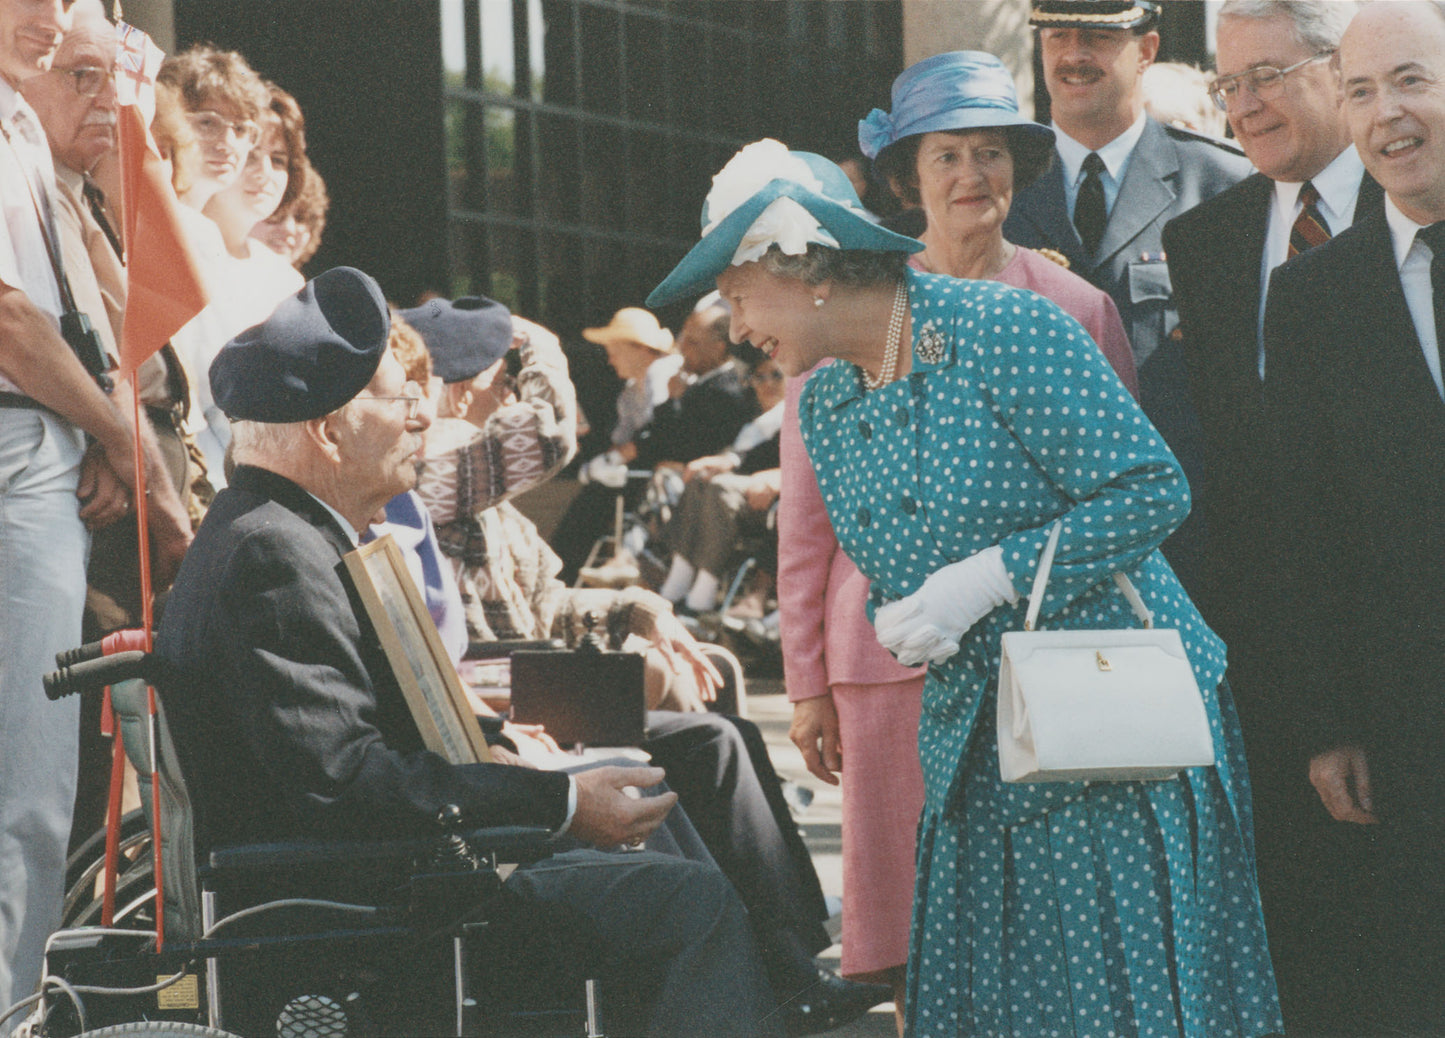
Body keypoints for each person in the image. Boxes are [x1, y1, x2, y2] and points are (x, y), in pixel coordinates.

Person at [649, 138, 1282, 1037]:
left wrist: (991, 578)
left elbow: (1150, 490)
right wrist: (902, 615)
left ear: (804, 270)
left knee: (1114, 1000)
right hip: (968, 748)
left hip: (1106, 731)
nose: (735, 324)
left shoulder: (1000, 328)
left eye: (738, 293)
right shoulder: (825, 404)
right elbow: (889, 560)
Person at [153, 266, 781, 1037]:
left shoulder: (284, 532)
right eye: (400, 401)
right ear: (327, 430)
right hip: (370, 912)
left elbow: (358, 731)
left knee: (661, 851)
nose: (423, 416)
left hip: (373, 882)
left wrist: (499, 748)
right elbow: (344, 779)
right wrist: (558, 803)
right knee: (687, 900)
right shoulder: (274, 555)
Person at [402, 294, 891, 1033]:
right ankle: (763, 962)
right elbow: (555, 432)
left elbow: (548, 598)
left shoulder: (477, 478)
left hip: (526, 669)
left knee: (719, 732)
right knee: (698, 731)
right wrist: (533, 338)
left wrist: (637, 608)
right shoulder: (436, 463)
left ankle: (786, 957)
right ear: (468, 380)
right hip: (495, 687)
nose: (511, 391)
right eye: (503, 373)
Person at [781, 51, 1141, 1031]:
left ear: (1018, 169)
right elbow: (805, 525)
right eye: (946, 155)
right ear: (908, 176)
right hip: (887, 665)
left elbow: (1124, 498)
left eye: (990, 152)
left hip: (1042, 659)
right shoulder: (852, 308)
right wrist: (805, 682)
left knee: (1047, 928)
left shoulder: (1077, 308)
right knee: (909, 932)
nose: (971, 175)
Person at [1159, 4, 1372, 1029]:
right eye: (1227, 84)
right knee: (1298, 934)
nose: (1242, 106)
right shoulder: (1204, 239)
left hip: (1401, 628)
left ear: (1336, 69)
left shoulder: (1413, 203)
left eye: (1267, 76)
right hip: (1259, 656)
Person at [1264, 3, 1445, 1031]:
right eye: (1361, 92)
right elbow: (1304, 527)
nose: (1386, 115)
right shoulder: (1309, 299)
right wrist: (1326, 720)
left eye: (1411, 80)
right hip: (1407, 722)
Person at [19, 0, 197, 851]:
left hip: (132, 475)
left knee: (131, 779)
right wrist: (108, 440)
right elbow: (50, 341)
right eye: (81, 76)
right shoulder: (31, 190)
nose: (107, 100)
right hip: (106, 505)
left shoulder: (75, 193)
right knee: (84, 774)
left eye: (114, 80)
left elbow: (149, 326)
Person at [0, 0, 147, 1024]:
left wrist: (93, 428)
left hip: (43, 444)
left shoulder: (18, 126)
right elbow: (9, 319)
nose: (50, 15)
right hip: (20, 447)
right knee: (28, 790)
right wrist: (116, 437)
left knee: (37, 789)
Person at [1004, 0, 1252, 598]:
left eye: (1097, 36)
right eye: (1058, 36)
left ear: (1146, 49)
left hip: (1190, 546)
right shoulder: (999, 189)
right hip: (1030, 549)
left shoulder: (1222, 185)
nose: (1074, 55)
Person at [656, 350, 784, 617]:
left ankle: (702, 596)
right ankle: (678, 579)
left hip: (772, 500)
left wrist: (732, 462)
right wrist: (722, 461)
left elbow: (763, 457)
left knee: (720, 487)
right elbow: (741, 456)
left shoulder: (791, 417)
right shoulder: (752, 419)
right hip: (743, 491)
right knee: (699, 479)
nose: (768, 383)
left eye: (776, 375)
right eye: (759, 377)